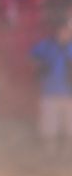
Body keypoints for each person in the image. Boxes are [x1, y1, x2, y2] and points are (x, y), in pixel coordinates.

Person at [30, 16, 72, 159]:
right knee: (49, 128)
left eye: (67, 31)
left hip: (69, 94)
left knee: (69, 128)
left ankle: (68, 155)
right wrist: (41, 66)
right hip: (49, 93)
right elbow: (32, 57)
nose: (65, 33)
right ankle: (49, 155)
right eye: (63, 30)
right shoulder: (47, 46)